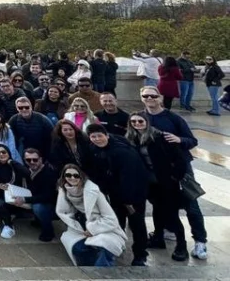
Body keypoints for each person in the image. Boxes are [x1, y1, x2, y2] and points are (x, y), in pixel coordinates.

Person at [138, 86, 210, 260]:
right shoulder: (140, 117)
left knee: (190, 203)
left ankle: (200, 240)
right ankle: (165, 231)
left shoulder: (173, 118)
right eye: (145, 96)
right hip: (155, 170)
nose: (149, 99)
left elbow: (192, 140)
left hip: (180, 168)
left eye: (153, 96)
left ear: (160, 98)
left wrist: (179, 139)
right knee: (160, 203)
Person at [125, 113, 189, 261]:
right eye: (133, 121)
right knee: (157, 210)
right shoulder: (131, 138)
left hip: (166, 182)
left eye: (140, 121)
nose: (137, 124)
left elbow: (179, 159)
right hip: (148, 182)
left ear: (147, 122)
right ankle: (158, 237)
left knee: (171, 214)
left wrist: (174, 177)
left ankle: (181, 245)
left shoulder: (161, 137)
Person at [84, 123, 150, 266]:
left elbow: (131, 177)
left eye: (100, 136)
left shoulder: (122, 152)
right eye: (93, 137)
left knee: (137, 224)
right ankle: (116, 246)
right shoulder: (94, 149)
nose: (97, 139)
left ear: (107, 135)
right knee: (116, 222)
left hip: (133, 195)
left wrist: (128, 200)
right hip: (115, 193)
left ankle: (140, 254)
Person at [55, 164, 127, 267]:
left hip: (103, 227)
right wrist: (76, 225)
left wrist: (92, 229)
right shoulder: (64, 191)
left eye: (76, 175)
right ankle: (90, 266)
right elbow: (64, 212)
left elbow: (111, 219)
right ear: (64, 177)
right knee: (76, 247)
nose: (72, 178)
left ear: (81, 176)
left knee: (106, 245)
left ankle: (101, 270)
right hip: (81, 228)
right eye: (68, 175)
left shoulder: (93, 191)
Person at [12, 148, 58, 242]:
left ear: (41, 159)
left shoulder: (49, 173)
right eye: (28, 160)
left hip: (52, 205)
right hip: (35, 198)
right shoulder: (27, 171)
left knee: (38, 207)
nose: (32, 162)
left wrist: (25, 199)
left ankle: (48, 232)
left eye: (35, 159)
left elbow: (47, 196)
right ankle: (38, 220)